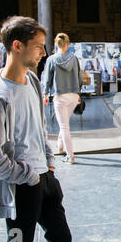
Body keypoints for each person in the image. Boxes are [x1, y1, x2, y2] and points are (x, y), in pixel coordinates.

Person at [0, 16, 71, 242]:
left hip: (45, 178)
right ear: (17, 46)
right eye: (38, 46)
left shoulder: (33, 80)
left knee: (61, 238)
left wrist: (48, 163)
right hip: (21, 186)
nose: (44, 52)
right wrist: (28, 176)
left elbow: (38, 127)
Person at [43, 33, 82, 164]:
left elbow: (47, 79)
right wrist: (79, 93)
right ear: (67, 44)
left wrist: (45, 93)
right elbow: (80, 77)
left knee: (64, 126)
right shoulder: (74, 59)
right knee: (64, 123)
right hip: (74, 96)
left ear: (56, 44)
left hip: (60, 96)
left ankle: (70, 156)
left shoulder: (51, 59)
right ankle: (60, 145)